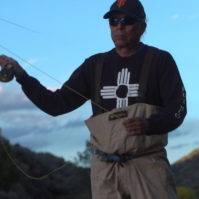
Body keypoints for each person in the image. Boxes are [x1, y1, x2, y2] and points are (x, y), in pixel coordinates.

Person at [0, 0, 186, 198]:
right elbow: (55, 105)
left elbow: (178, 109)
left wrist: (149, 124)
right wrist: (23, 77)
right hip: (104, 171)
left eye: (127, 20)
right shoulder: (94, 65)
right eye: (113, 21)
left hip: (147, 165)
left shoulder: (160, 60)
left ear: (142, 27)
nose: (119, 26)